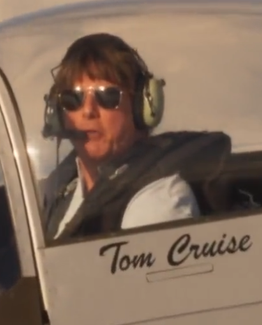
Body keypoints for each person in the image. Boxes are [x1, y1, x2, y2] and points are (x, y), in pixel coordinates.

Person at [41, 33, 202, 240]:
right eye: (73, 98)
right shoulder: (60, 192)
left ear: (140, 107)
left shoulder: (158, 202)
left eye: (107, 96)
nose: (88, 110)